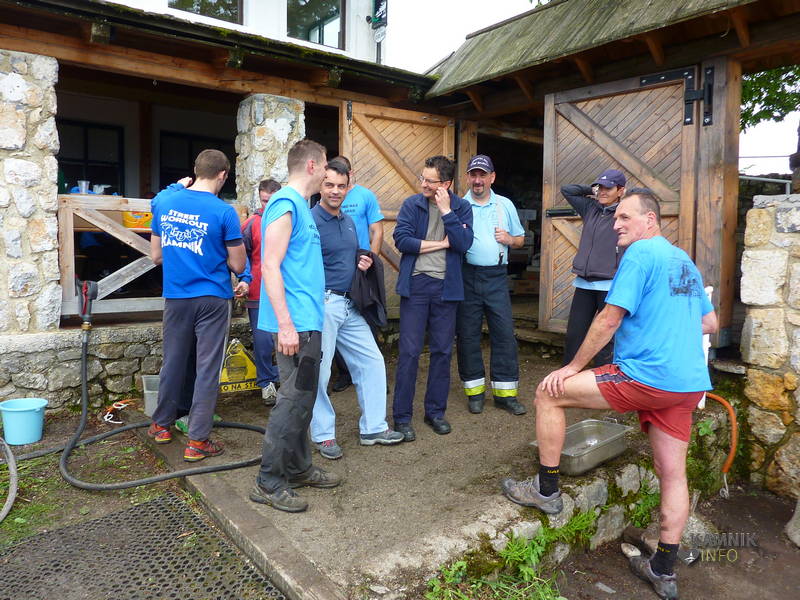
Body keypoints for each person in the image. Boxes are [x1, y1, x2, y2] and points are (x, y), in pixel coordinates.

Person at [501, 189, 718, 600]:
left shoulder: (640, 254)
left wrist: (572, 367)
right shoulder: (683, 261)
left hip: (646, 377)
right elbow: (710, 323)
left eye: (624, 217)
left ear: (650, 220)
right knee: (674, 474)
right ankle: (663, 570)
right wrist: (665, 326)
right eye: (615, 218)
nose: (616, 224)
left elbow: (609, 318)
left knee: (550, 393)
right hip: (687, 385)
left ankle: (546, 490)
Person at [250, 139, 341, 514]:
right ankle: (268, 481)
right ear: (312, 166)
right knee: (293, 401)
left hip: (306, 321)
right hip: (295, 325)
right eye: (325, 165)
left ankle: (299, 468)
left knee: (302, 399)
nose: (327, 173)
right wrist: (286, 325)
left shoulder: (299, 206)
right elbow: (270, 265)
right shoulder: (285, 203)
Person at [148, 149, 246, 462]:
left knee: (173, 361)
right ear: (223, 175)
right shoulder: (224, 212)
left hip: (176, 296)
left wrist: (176, 188)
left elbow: (156, 255)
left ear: (195, 170)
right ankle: (197, 441)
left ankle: (161, 425)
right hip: (213, 298)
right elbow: (238, 263)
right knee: (207, 368)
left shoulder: (165, 203)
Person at [309, 159, 403, 459]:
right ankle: (323, 435)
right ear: (320, 186)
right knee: (320, 372)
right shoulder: (310, 221)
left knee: (371, 362)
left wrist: (362, 262)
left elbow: (343, 257)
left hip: (350, 304)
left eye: (341, 186)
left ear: (349, 187)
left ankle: (373, 428)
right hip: (324, 304)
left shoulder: (349, 222)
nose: (335, 191)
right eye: (329, 185)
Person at [392, 155, 473, 440]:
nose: (424, 184)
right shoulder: (411, 205)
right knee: (409, 352)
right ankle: (402, 417)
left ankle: (435, 413)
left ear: (446, 184)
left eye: (430, 181)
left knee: (442, 351)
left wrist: (447, 212)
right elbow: (402, 241)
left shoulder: (461, 207)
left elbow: (463, 244)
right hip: (416, 285)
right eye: (422, 178)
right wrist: (440, 244)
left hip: (446, 289)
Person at [456, 155, 526, 416]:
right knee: (468, 335)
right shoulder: (459, 205)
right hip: (467, 276)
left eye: (482, 175)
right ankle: (475, 393)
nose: (478, 180)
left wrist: (509, 239)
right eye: (473, 175)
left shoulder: (504, 205)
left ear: (492, 178)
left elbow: (520, 239)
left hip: (496, 277)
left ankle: (505, 395)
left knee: (504, 335)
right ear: (467, 178)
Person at [329, 155, 385, 393]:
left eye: (343, 179)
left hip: (361, 266)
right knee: (335, 320)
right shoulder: (328, 197)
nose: (336, 189)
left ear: (350, 174)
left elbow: (377, 230)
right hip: (338, 267)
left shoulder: (365, 196)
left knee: (365, 317)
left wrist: (371, 260)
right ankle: (345, 373)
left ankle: (372, 373)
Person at [560, 169, 627, 367]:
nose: (602, 191)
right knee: (574, 335)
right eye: (600, 187)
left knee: (606, 338)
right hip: (584, 283)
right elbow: (567, 190)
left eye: (608, 188)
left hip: (610, 285)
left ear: (620, 190)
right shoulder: (590, 207)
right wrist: (592, 190)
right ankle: (567, 377)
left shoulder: (624, 214)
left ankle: (602, 378)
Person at [241, 178, 282, 405]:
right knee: (263, 341)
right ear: (259, 198)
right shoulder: (251, 224)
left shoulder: (289, 219)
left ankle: (285, 380)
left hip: (286, 290)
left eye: (272, 200)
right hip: (259, 291)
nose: (268, 205)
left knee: (288, 338)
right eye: (264, 201)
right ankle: (266, 383)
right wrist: (245, 279)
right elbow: (241, 255)